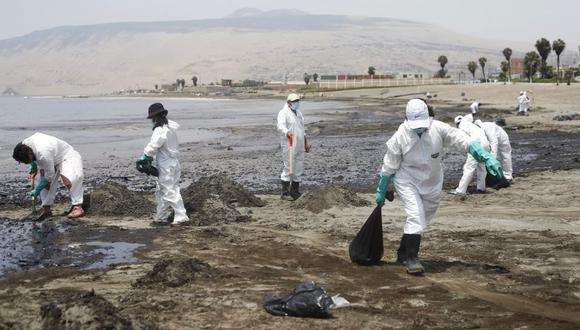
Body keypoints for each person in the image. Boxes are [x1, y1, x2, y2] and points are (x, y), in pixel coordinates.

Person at [375, 99, 503, 274]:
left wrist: (485, 156)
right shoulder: (400, 136)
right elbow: (389, 165)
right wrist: (382, 189)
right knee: (415, 215)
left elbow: (463, 140)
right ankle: (412, 259)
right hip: (407, 180)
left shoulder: (438, 129)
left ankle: (403, 252)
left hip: (432, 182)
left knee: (423, 219)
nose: (420, 128)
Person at [138, 103, 190, 226]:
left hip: (166, 165)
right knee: (165, 190)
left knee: (168, 190)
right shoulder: (170, 127)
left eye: (152, 118)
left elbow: (153, 145)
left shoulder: (160, 130)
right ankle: (161, 216)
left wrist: (144, 156)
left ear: (155, 117)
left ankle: (181, 215)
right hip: (174, 163)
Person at [12, 133, 85, 221]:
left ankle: (77, 206)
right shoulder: (24, 144)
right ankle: (46, 209)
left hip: (66, 156)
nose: (25, 163)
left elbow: (49, 175)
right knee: (45, 184)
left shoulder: (43, 153)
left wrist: (37, 190)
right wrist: (33, 165)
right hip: (50, 158)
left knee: (71, 179)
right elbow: (43, 171)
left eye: (27, 161)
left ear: (30, 154)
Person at [277, 93, 311, 200]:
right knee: (288, 166)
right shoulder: (283, 113)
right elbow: (280, 126)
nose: (297, 103)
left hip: (299, 143)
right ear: (289, 102)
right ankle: (285, 192)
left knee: (298, 166)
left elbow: (303, 130)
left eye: (298, 101)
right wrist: (287, 132)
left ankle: (295, 190)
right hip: (289, 143)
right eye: (294, 101)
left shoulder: (299, 113)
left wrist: (306, 143)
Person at [451, 115, 491, 194]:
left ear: (457, 124)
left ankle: (460, 190)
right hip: (486, 144)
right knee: (482, 167)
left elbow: (462, 140)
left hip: (477, 145)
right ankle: (481, 188)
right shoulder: (472, 125)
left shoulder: (461, 127)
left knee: (468, 168)